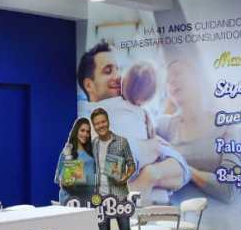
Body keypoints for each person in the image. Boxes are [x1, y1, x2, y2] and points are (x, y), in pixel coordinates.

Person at [78, 43, 189, 203]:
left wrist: (150, 175)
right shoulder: (84, 118)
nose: (117, 77)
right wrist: (149, 149)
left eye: (118, 69)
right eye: (108, 71)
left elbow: (181, 170)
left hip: (156, 209)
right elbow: (108, 166)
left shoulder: (137, 113)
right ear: (89, 85)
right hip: (118, 211)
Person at [89, 108, 141, 230]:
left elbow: (131, 164)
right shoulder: (94, 144)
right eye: (97, 123)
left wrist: (125, 178)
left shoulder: (122, 142)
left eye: (103, 121)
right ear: (94, 126)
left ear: (108, 121)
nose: (101, 125)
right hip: (101, 198)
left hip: (120, 197)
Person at [54, 118, 96, 203]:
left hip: (88, 199)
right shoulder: (67, 152)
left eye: (88, 132)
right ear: (76, 131)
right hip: (71, 199)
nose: (85, 134)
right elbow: (59, 179)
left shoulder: (92, 152)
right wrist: (68, 158)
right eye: (82, 130)